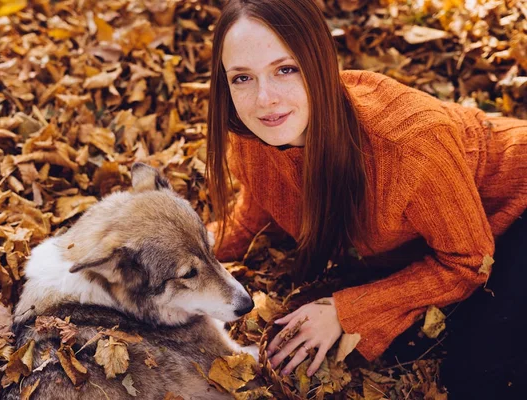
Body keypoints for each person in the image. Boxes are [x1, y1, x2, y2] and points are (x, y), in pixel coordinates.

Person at [204, 0, 527, 398]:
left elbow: (470, 259)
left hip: (518, 201)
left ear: (319, 62)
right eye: (241, 78)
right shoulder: (254, 134)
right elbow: (255, 213)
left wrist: (347, 311)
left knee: (483, 378)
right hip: (465, 235)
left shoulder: (407, 144)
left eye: (285, 69)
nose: (263, 98)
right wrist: (187, 255)